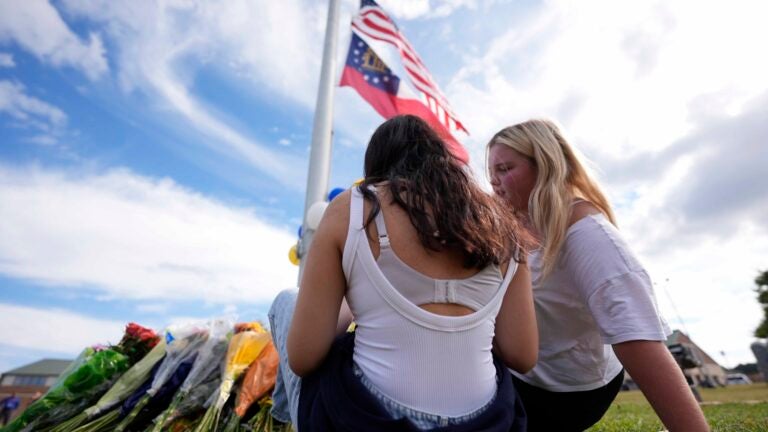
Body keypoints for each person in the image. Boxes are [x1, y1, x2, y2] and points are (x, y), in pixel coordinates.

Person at [269, 114, 538, 431]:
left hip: (369, 416)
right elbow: (523, 355)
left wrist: (355, 305)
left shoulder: (350, 207)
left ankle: (280, 417)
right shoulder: (502, 223)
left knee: (287, 300)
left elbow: (303, 358)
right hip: (484, 421)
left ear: (376, 169)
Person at [487, 119, 710, 432]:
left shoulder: (589, 236)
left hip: (566, 393)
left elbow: (637, 338)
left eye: (505, 169)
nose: (494, 183)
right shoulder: (510, 231)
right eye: (491, 173)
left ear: (547, 166)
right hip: (521, 377)